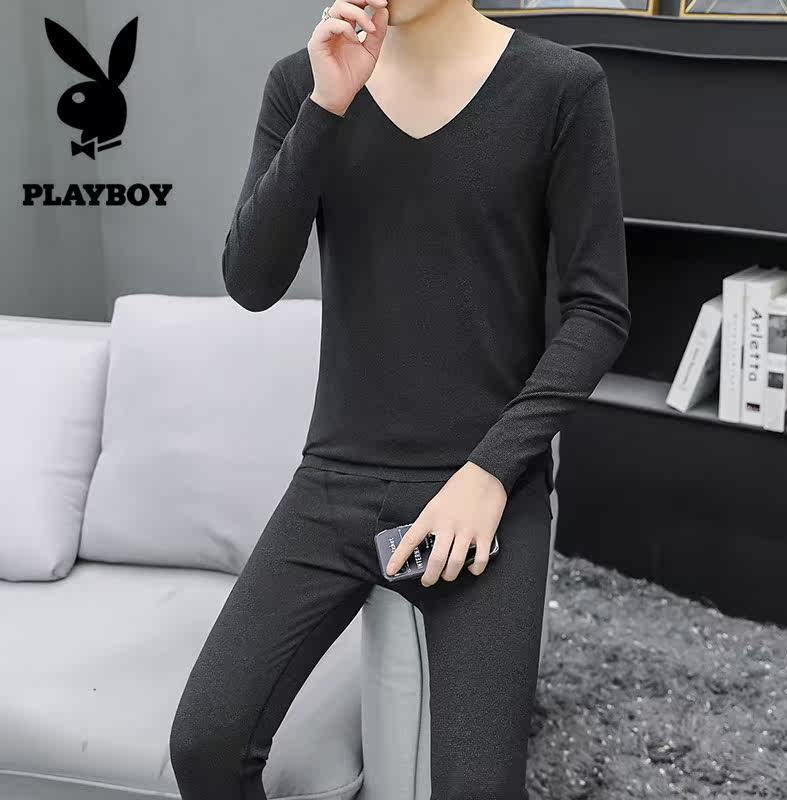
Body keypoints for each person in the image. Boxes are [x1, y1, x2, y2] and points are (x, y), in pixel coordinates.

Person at [169, 0, 631, 797]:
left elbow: (599, 312)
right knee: (206, 742)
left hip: (481, 491)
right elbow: (251, 282)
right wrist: (328, 105)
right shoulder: (303, 84)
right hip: (334, 483)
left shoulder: (561, 86)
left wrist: (492, 473)